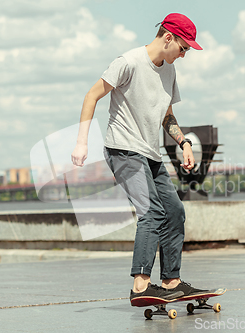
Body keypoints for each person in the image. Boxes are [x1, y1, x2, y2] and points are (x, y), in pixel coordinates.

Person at [71, 13, 208, 302]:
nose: (184, 55)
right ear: (168, 37)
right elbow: (91, 96)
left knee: (174, 212)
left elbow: (167, 115)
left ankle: (171, 282)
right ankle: (141, 285)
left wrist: (182, 142)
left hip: (150, 155)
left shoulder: (169, 72)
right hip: (123, 150)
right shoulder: (129, 62)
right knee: (152, 211)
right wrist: (82, 142)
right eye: (183, 48)